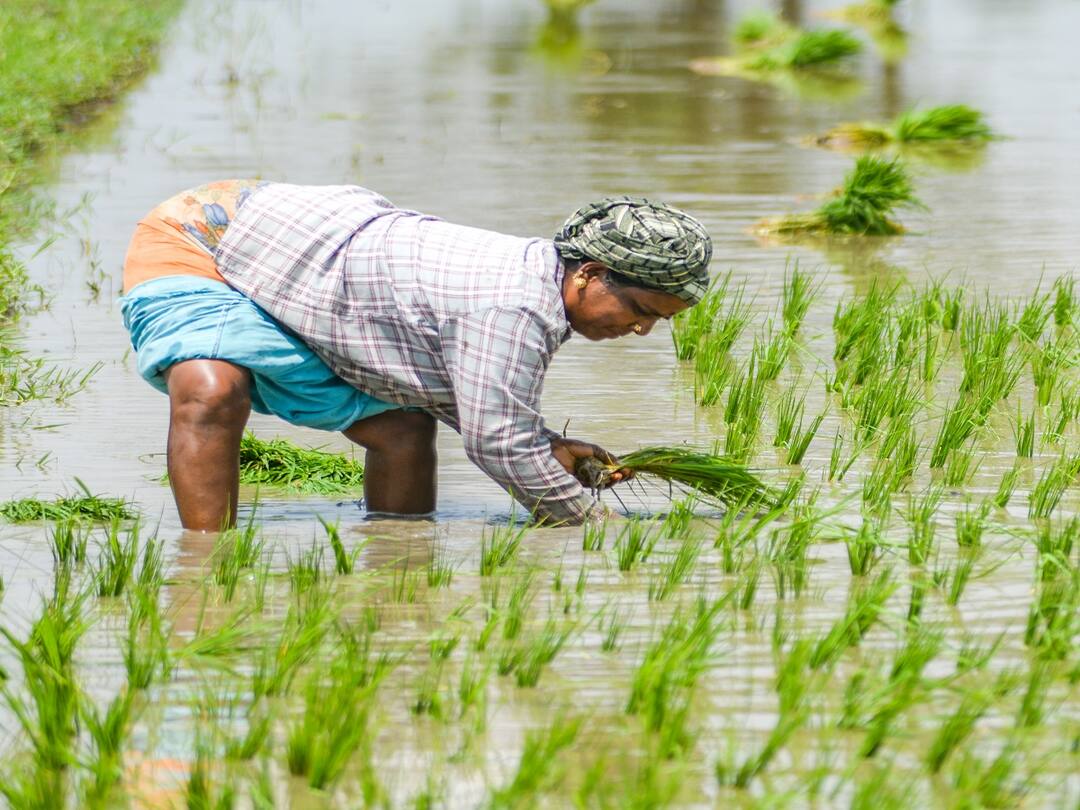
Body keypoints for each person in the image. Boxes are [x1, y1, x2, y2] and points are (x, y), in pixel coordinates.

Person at [120, 180, 712, 530]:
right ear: (591, 274)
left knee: (404, 428)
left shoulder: (542, 296)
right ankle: (205, 567)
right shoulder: (512, 305)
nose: (641, 331)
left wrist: (547, 445)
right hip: (207, 237)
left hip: (312, 269)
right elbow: (497, 442)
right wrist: (596, 527)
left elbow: (485, 409)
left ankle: (397, 560)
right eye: (643, 312)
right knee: (213, 388)